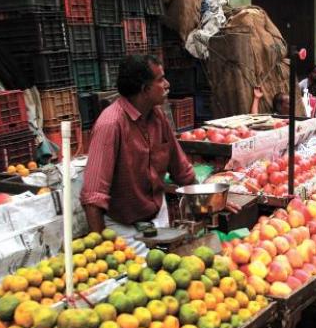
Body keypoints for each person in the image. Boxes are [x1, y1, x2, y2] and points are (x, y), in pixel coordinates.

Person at [80, 55, 237, 252]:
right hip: (124, 231)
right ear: (145, 89)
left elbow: (182, 170)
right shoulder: (110, 125)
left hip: (158, 219)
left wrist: (212, 201)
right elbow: (93, 197)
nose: (167, 84)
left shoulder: (157, 117)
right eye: (161, 79)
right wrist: (103, 250)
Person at [251, 87, 316, 150]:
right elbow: (254, 119)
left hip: (313, 141)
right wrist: (256, 98)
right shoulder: (275, 120)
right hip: (304, 148)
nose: (293, 105)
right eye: (289, 103)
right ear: (279, 106)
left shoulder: (295, 117)